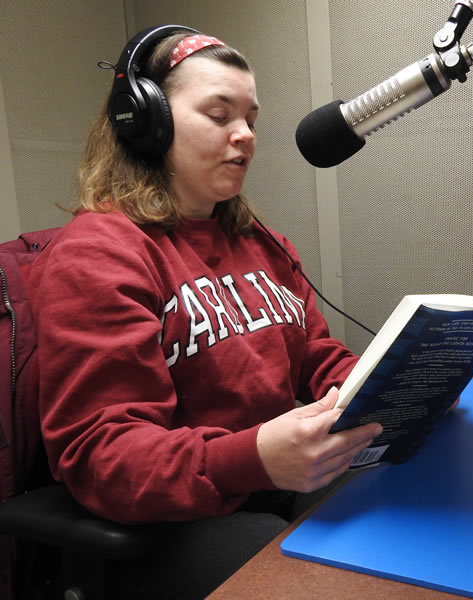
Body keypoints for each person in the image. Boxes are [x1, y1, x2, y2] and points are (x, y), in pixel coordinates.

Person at [24, 25, 382, 598]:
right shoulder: (99, 256)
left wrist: (389, 382)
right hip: (177, 519)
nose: (245, 137)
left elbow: (313, 354)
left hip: (272, 481)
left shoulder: (263, 243)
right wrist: (254, 458)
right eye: (220, 116)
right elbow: (103, 455)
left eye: (251, 120)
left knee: (411, 517)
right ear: (145, 121)